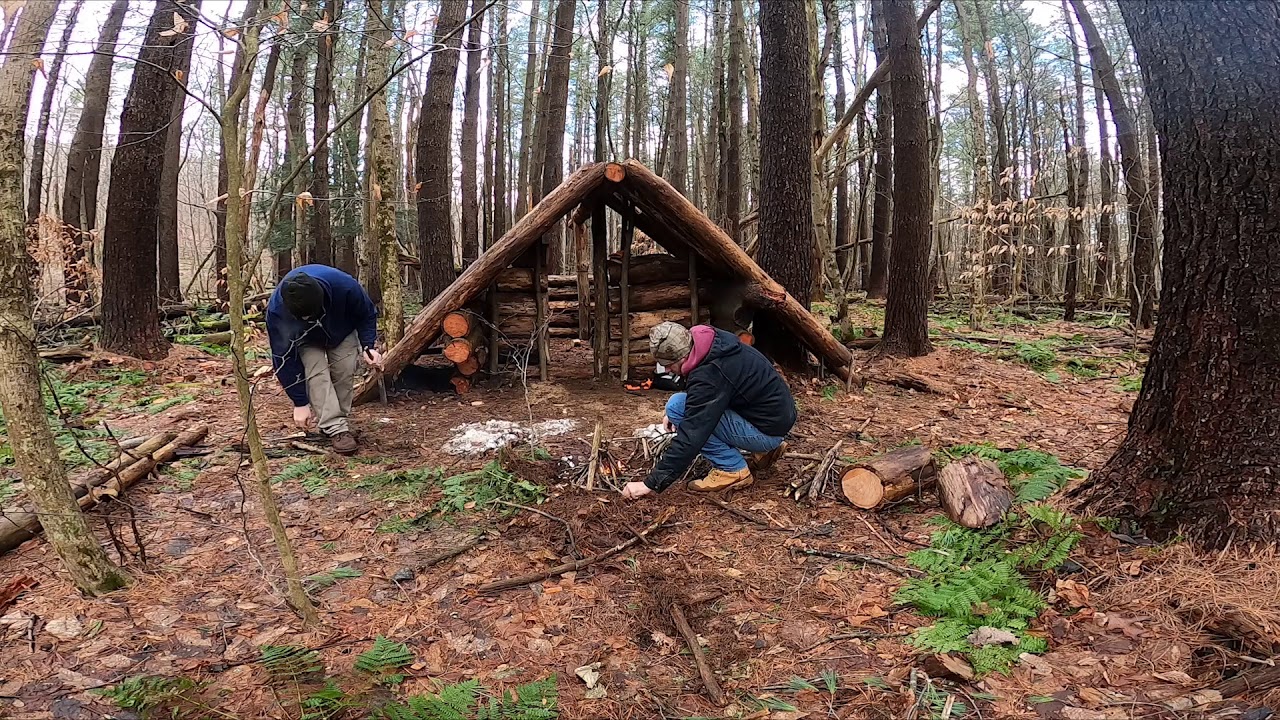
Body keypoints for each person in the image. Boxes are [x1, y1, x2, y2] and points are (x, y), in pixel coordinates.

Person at [622, 322, 795, 499]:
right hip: (773, 420)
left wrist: (651, 483)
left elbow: (693, 434)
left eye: (669, 364)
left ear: (683, 356)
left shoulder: (710, 374)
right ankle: (765, 451)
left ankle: (732, 469)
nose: (666, 369)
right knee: (679, 406)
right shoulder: (713, 342)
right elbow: (713, 392)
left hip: (766, 432)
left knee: (677, 406)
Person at [267, 265, 382, 455]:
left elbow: (367, 314)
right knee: (316, 372)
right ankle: (336, 428)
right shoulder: (277, 311)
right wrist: (299, 403)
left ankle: (339, 417)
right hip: (305, 339)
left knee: (344, 370)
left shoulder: (345, 286)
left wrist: (368, 345)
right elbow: (283, 357)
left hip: (342, 329)